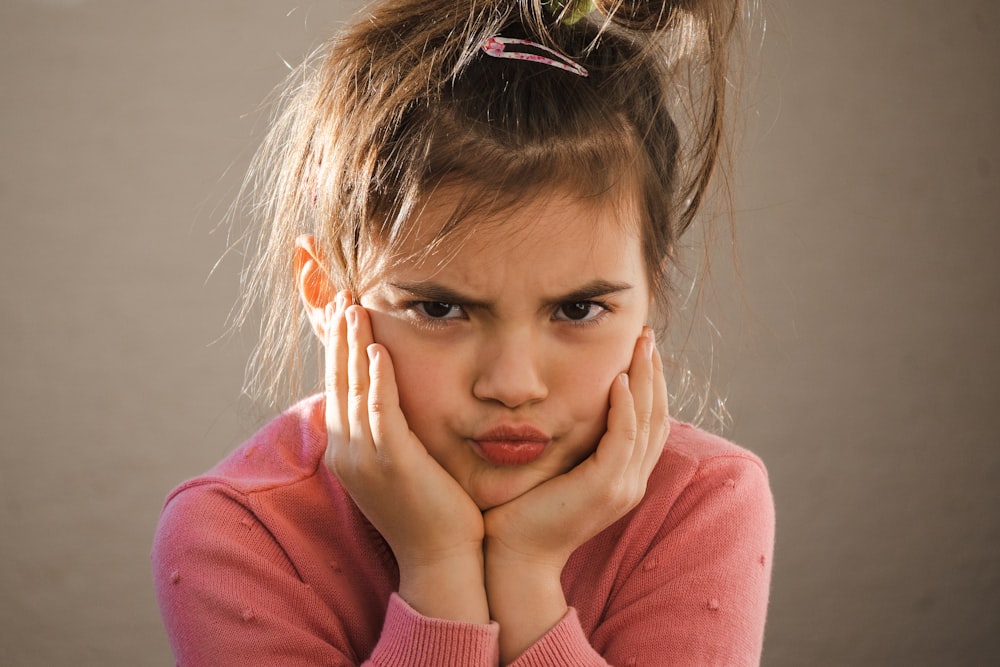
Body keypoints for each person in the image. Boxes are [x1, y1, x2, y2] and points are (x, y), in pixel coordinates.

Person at [152, 0, 774, 664]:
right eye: (442, 310)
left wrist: (528, 571)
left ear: (652, 284)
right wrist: (438, 568)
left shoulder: (702, 504)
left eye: (577, 310)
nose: (512, 384)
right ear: (327, 293)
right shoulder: (236, 535)